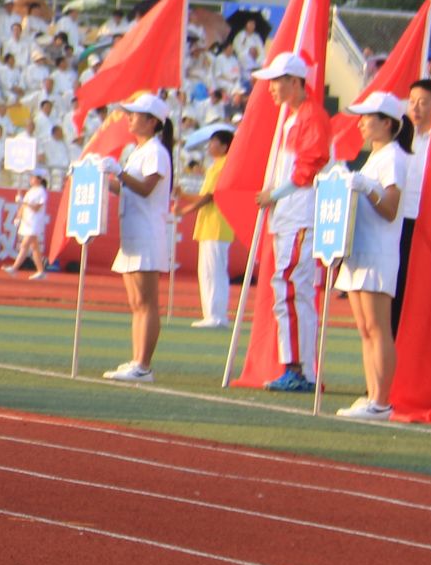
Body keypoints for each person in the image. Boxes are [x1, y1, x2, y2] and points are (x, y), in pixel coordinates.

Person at [249, 50, 331, 393]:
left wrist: (274, 195)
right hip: (290, 216)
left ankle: (297, 369)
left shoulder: (310, 116)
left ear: (296, 83)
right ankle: (300, 368)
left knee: (291, 289)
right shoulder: (294, 117)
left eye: (276, 81)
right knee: (291, 290)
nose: (270, 88)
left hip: (299, 215)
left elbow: (308, 167)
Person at [333, 94, 414, 421]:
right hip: (360, 250)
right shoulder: (375, 156)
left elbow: (391, 208)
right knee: (366, 328)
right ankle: (372, 394)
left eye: (369, 117)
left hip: (378, 251)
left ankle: (381, 400)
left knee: (379, 328)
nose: (362, 122)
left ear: (388, 123)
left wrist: (367, 188)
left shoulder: (393, 156)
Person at [99, 94, 175, 383]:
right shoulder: (139, 151)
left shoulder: (156, 151)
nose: (130, 118)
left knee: (146, 302)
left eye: (136, 114)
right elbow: (127, 189)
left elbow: (145, 188)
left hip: (146, 232)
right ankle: (137, 359)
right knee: (135, 303)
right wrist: (101, 179)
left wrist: (119, 172)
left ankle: (144, 365)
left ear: (152, 121)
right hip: (132, 232)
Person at [178, 122, 237, 328]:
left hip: (217, 224)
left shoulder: (223, 166)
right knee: (209, 271)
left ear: (224, 146)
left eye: (213, 143)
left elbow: (209, 197)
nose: (209, 147)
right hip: (210, 224)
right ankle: (213, 314)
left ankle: (216, 316)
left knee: (214, 271)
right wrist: (182, 195)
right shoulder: (215, 166)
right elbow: (204, 195)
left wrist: (185, 210)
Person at [394, 78, 431, 335]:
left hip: (429, 223)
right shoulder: (402, 139)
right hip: (401, 221)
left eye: (423, 102)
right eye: (412, 102)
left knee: (424, 293)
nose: (416, 108)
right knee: (397, 291)